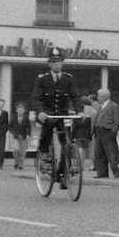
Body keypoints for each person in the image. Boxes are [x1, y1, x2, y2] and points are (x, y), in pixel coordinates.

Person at [31, 47, 80, 182]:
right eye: (53, 62)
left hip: (62, 114)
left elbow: (75, 96)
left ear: (62, 63)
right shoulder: (42, 79)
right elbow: (36, 98)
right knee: (49, 125)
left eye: (59, 62)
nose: (56, 64)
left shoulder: (68, 79)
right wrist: (40, 112)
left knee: (67, 141)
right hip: (47, 113)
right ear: (49, 64)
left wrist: (79, 110)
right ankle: (45, 154)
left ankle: (63, 171)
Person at [92, 88, 119, 178]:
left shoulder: (114, 106)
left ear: (104, 97)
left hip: (108, 131)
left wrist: (113, 131)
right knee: (99, 153)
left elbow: (117, 121)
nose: (98, 98)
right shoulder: (99, 106)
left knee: (112, 154)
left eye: (99, 96)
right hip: (98, 132)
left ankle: (117, 172)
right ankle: (102, 173)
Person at [8, 102, 31, 170]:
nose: (20, 111)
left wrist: (28, 134)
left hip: (23, 136)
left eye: (22, 110)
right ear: (17, 110)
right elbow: (9, 126)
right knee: (16, 150)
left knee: (22, 152)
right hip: (16, 136)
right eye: (19, 110)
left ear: (23, 111)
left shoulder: (26, 118)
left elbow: (29, 127)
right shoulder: (14, 117)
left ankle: (20, 165)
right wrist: (12, 132)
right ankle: (16, 162)